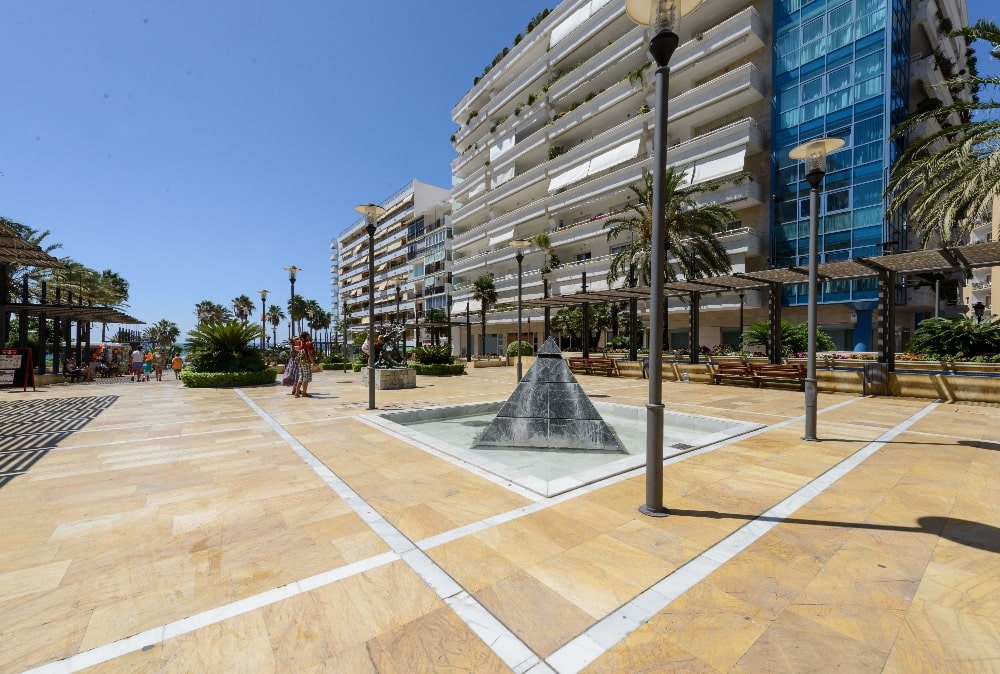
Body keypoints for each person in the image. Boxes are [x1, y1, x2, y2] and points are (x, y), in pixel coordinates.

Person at [292, 331, 315, 398]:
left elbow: (294, 339)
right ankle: (304, 393)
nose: (309, 336)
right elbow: (310, 354)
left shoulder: (300, 342)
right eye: (308, 335)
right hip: (306, 362)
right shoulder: (309, 343)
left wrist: (300, 337)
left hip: (300, 362)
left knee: (301, 377)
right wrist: (313, 362)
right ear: (306, 336)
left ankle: (297, 393)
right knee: (306, 378)